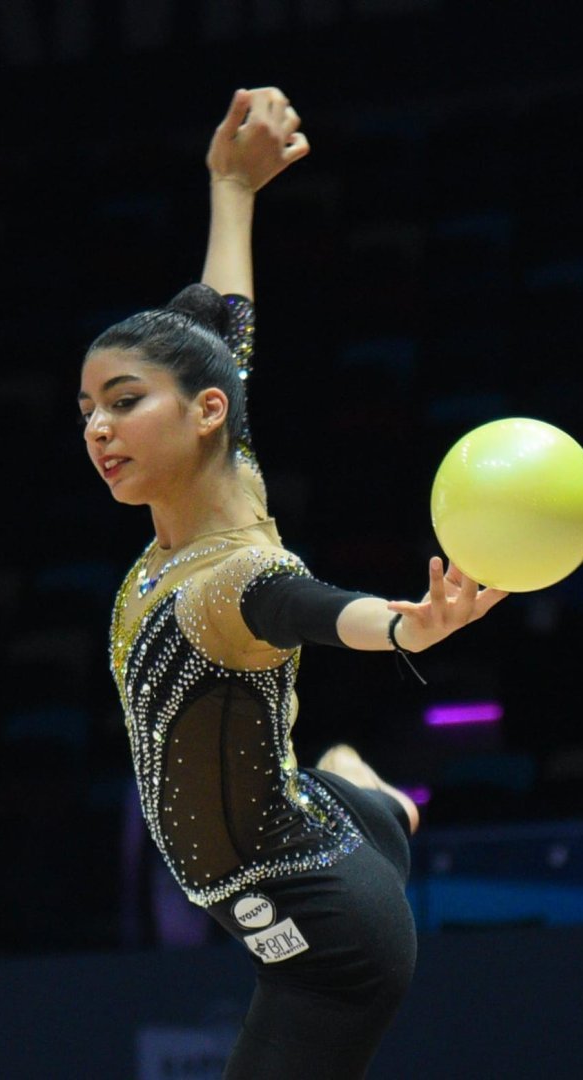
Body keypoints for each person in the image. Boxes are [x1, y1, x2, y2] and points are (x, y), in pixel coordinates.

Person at [78, 87, 507, 1078]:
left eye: (125, 402)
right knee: (333, 783)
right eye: (88, 407)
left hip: (330, 947)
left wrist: (404, 627)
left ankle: (375, 803)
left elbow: (310, 610)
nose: (97, 427)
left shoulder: (230, 580)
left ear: (203, 416)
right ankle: (378, 799)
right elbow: (228, 331)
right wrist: (232, 188)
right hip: (308, 818)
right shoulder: (231, 480)